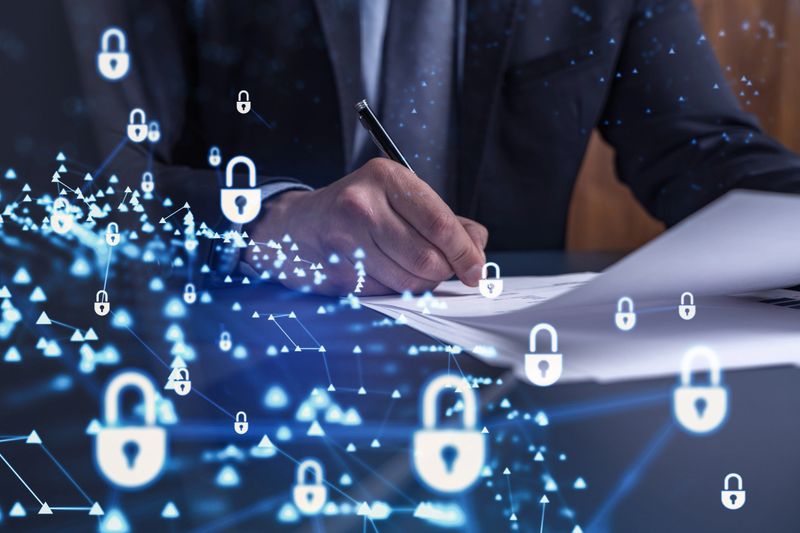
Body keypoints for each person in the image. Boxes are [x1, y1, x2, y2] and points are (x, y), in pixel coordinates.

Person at [67, 0, 800, 295]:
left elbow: (701, 147)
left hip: (514, 391)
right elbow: (91, 184)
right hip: (230, 367)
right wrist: (270, 222)